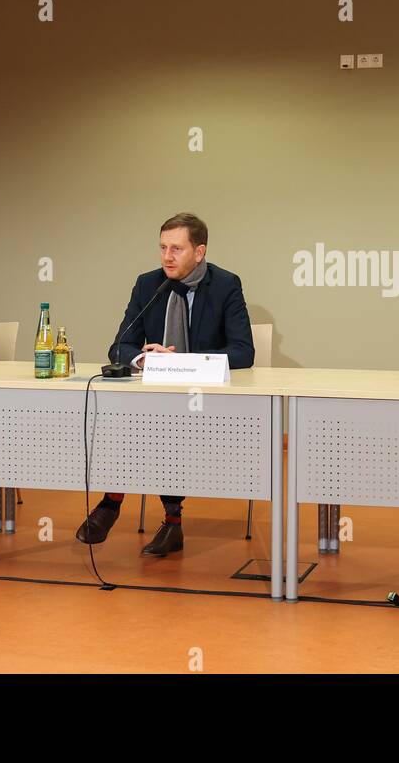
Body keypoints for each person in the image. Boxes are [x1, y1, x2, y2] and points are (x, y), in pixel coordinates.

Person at [76, 212, 255, 555]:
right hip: (156, 399)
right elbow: (120, 345)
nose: (167, 257)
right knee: (131, 420)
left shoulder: (225, 285)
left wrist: (183, 364)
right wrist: (145, 359)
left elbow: (243, 352)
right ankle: (155, 517)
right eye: (162, 248)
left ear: (199, 252)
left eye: (177, 248)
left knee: (161, 425)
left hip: (206, 400)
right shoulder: (148, 284)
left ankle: (120, 505)